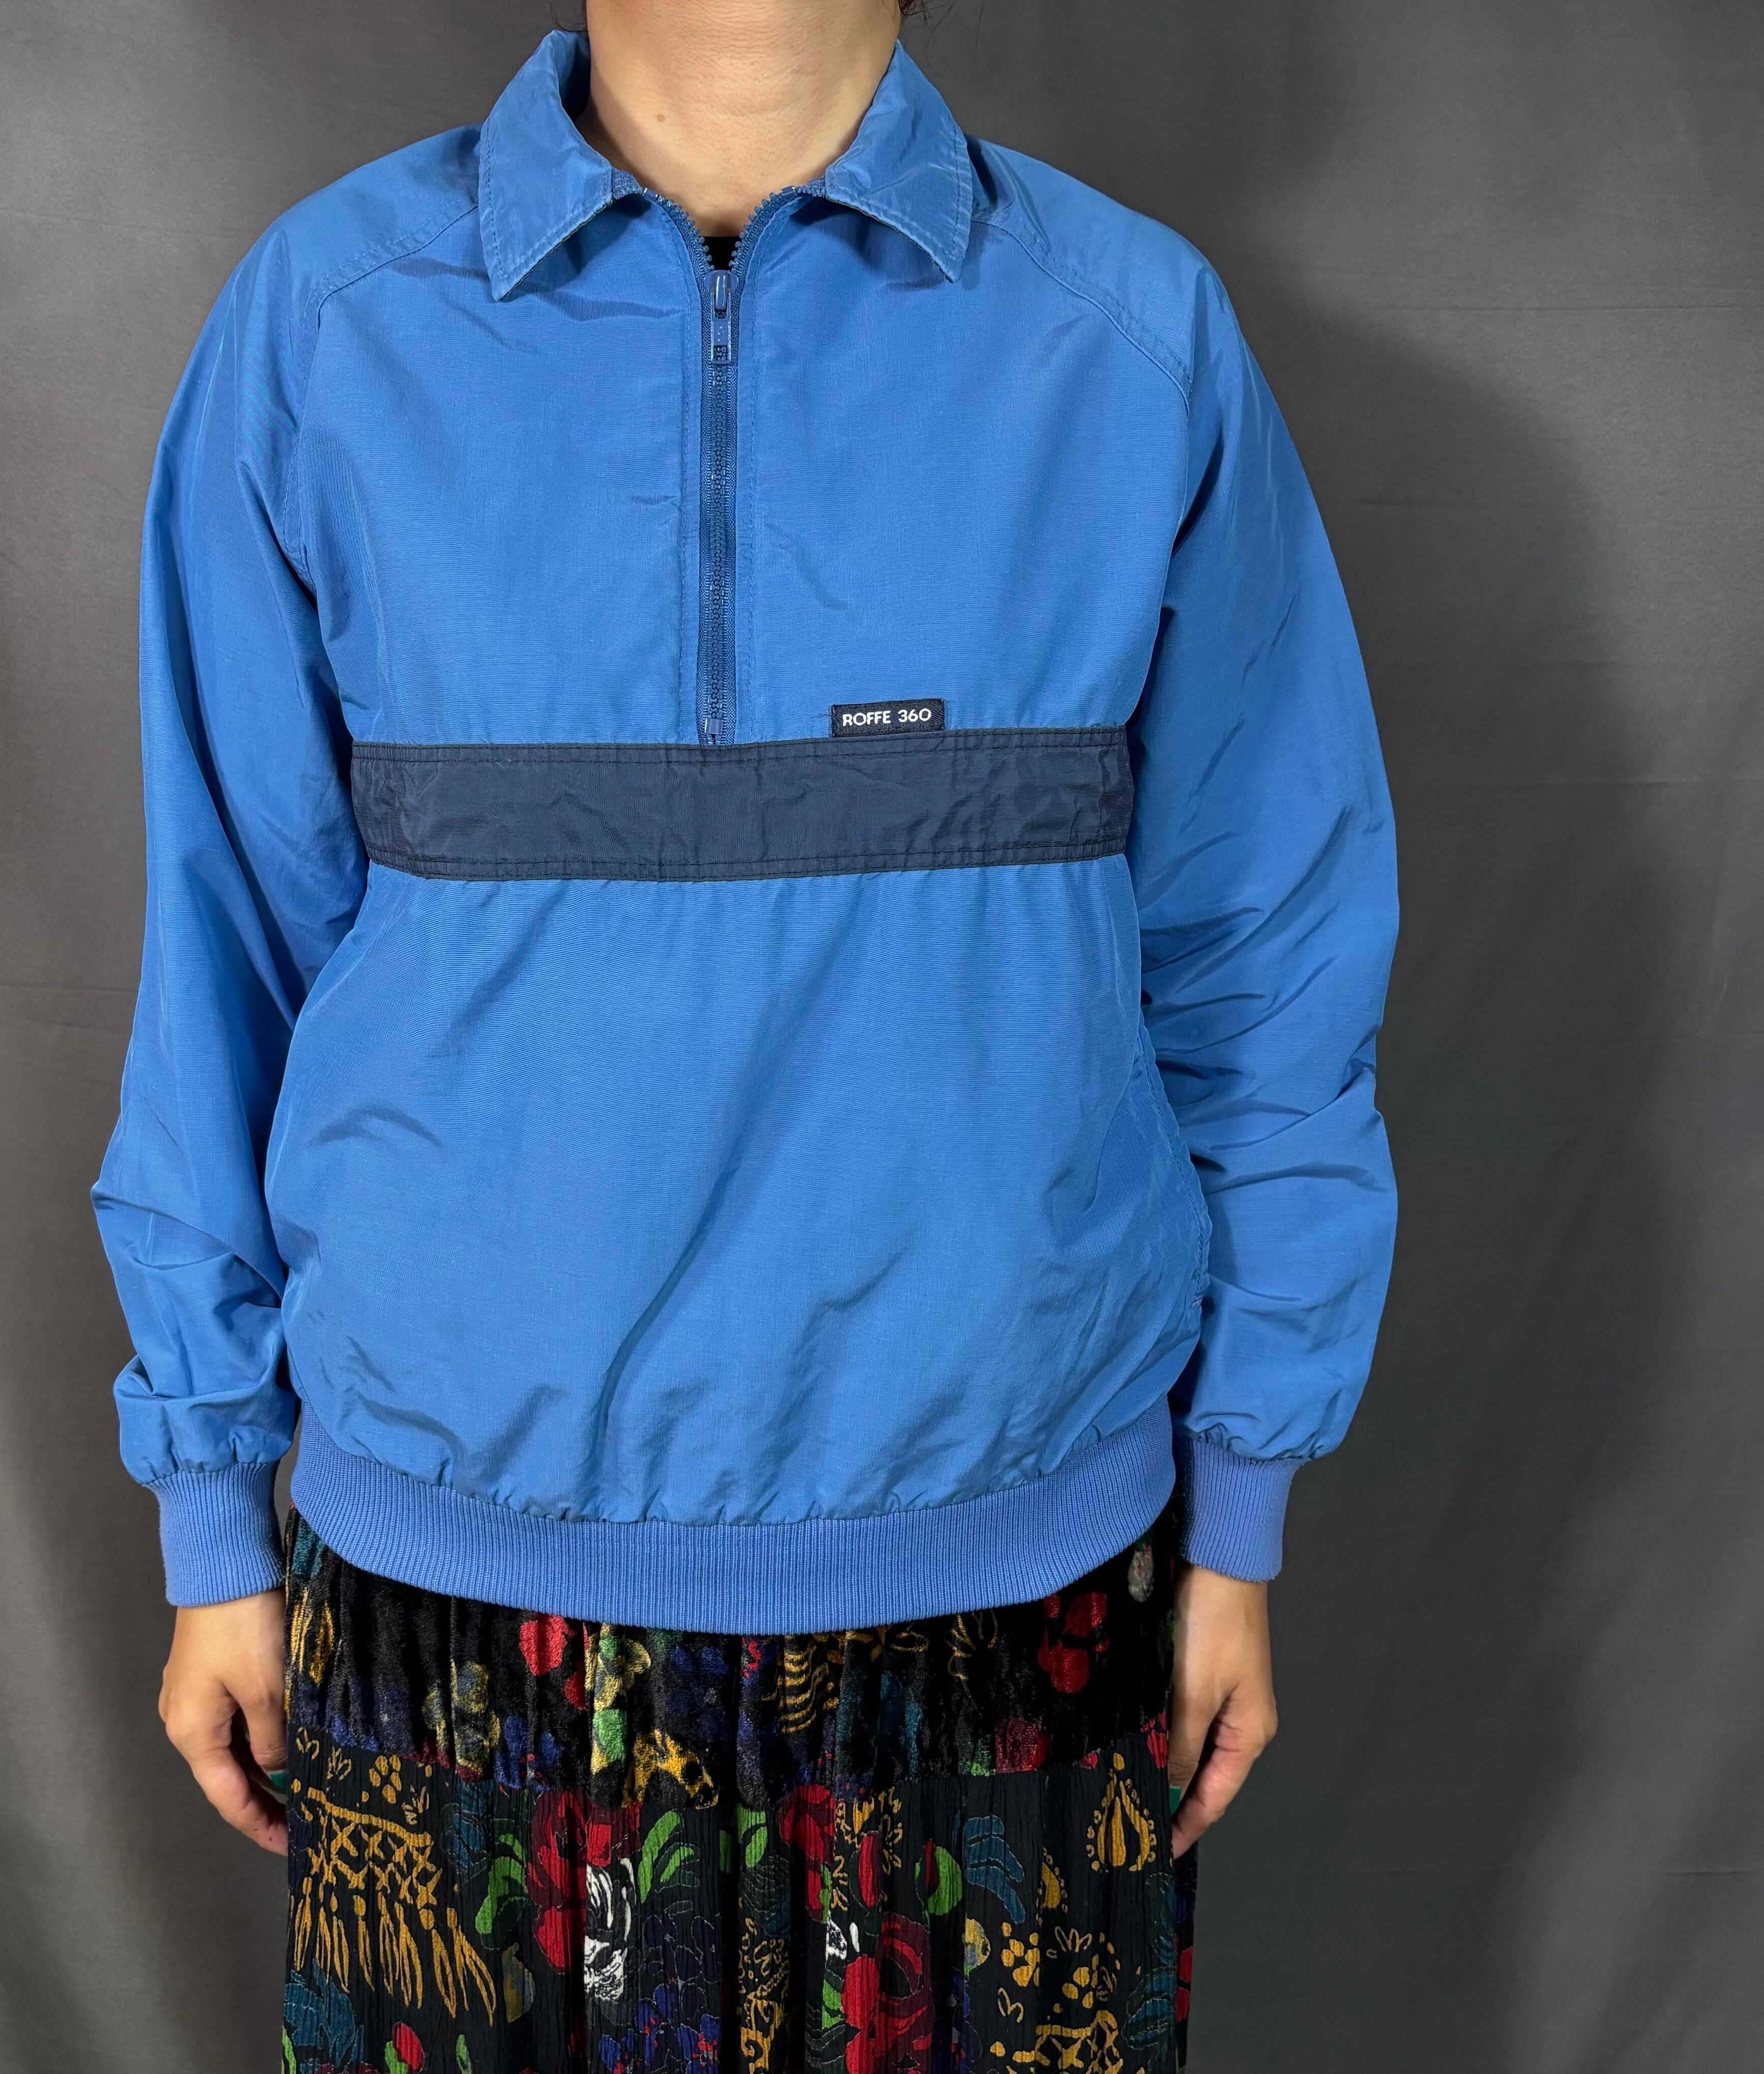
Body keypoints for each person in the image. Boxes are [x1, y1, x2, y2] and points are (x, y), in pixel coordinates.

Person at [92, 2, 1397, 2066]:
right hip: (459, 1598)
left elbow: (1264, 959)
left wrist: (1237, 1503)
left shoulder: (1129, 339)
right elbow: (221, 947)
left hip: (1018, 1581)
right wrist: (206, 1504)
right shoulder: (330, 326)